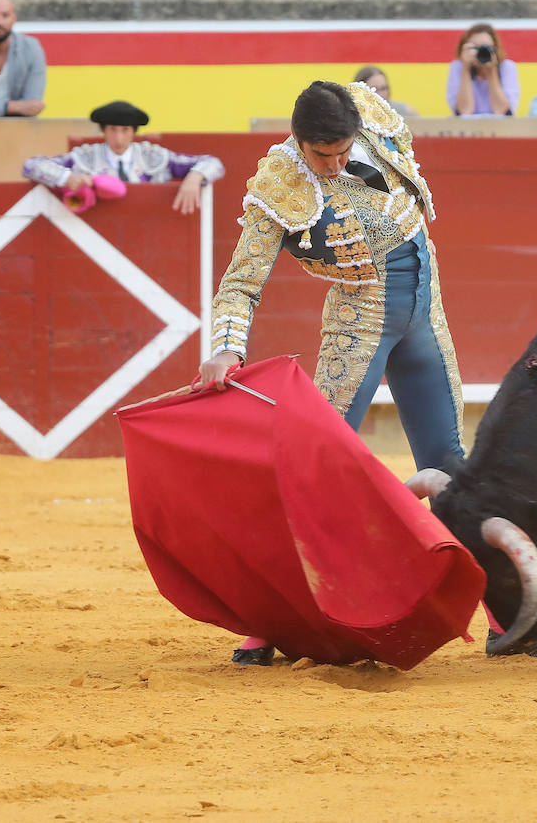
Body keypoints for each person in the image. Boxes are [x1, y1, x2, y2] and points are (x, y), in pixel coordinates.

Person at [197, 81, 466, 666]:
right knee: (313, 472)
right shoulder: (280, 182)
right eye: (324, 157)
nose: (337, 165)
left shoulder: (368, 112)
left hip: (427, 306)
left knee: (450, 461)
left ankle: (508, 617)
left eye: (344, 152)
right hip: (360, 318)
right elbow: (241, 283)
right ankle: (266, 624)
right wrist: (224, 348)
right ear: (300, 143)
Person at [21, 100, 223, 215]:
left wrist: (195, 176)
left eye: (125, 130)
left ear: (133, 131)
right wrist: (67, 178)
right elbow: (31, 165)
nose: (118, 138)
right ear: (103, 131)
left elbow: (214, 163)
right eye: (112, 130)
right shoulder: (85, 157)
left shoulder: (152, 156)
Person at [446, 23, 520, 118]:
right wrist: (465, 69)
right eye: (475, 48)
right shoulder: (458, 67)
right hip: (469, 129)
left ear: (495, 49)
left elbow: (501, 111)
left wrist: (491, 71)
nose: (480, 52)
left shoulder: (506, 67)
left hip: (500, 129)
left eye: (486, 48)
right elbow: (464, 111)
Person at [352, 65, 418, 118]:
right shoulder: (349, 115)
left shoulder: (405, 112)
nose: (380, 94)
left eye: (383, 88)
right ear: (360, 91)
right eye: (374, 89)